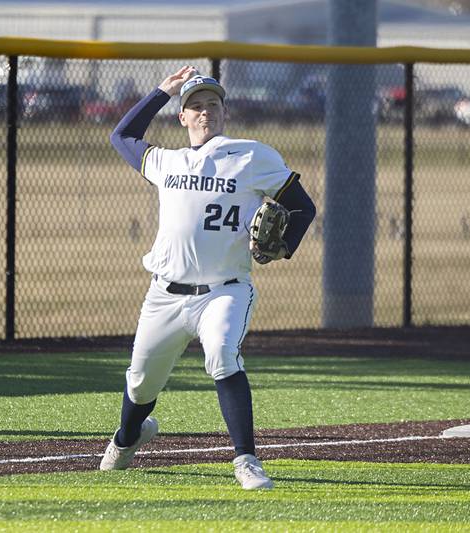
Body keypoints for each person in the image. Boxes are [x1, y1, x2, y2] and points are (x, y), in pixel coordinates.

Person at [101, 65, 316, 490]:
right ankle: (127, 439)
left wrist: (281, 246)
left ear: (223, 112)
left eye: (212, 105)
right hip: (165, 293)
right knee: (141, 384)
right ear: (182, 117)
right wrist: (163, 91)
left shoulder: (252, 156)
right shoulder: (167, 161)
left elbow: (303, 207)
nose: (204, 112)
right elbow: (121, 137)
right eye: (195, 106)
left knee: (221, 354)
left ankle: (246, 460)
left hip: (224, 291)